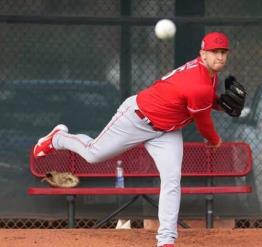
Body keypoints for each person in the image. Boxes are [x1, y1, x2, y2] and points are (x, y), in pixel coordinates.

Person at [33, 31, 230, 247]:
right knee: (93, 154)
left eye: (223, 52)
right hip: (136, 119)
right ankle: (58, 138)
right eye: (214, 52)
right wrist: (214, 141)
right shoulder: (198, 84)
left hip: (166, 131)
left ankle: (166, 240)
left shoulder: (207, 77)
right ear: (203, 54)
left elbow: (203, 100)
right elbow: (204, 123)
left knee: (172, 180)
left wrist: (219, 103)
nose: (219, 57)